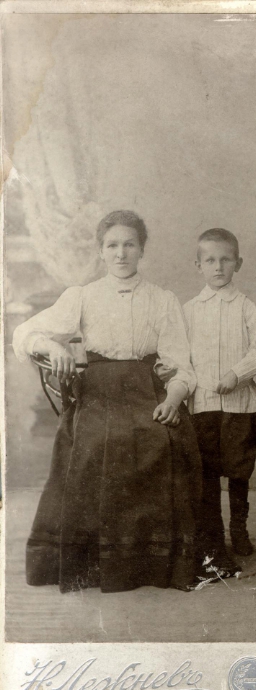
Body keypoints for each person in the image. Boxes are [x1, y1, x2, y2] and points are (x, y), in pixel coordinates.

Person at [13, 210, 202, 593]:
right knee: (95, 443)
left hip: (148, 391)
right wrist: (52, 346)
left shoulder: (162, 300)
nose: (121, 253)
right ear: (101, 251)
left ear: (142, 249)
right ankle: (92, 560)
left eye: (129, 244)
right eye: (112, 245)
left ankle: (153, 561)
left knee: (166, 438)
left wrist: (174, 398)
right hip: (97, 394)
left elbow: (182, 365)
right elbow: (25, 333)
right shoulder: (82, 297)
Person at [183, 228, 256, 577]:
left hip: (240, 406)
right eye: (210, 261)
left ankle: (239, 529)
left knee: (238, 472)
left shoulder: (245, 307)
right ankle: (214, 535)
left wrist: (237, 374)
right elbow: (179, 355)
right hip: (203, 405)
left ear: (238, 263)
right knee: (207, 474)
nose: (218, 267)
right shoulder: (189, 311)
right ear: (198, 265)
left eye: (225, 260)